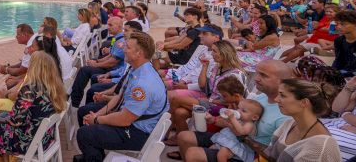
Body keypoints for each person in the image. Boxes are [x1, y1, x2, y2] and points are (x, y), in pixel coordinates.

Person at [74, 32, 168, 162]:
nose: (123, 49)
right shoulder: (138, 69)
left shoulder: (142, 84)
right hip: (132, 121)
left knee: (84, 134)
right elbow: (119, 97)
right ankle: (95, 155)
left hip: (138, 133)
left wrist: (96, 120)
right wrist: (96, 116)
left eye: (127, 47)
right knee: (84, 113)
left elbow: (124, 120)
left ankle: (93, 155)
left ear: (138, 54)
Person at [178, 59, 292, 161]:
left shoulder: (285, 114)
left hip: (249, 152)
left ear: (282, 81)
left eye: (263, 75)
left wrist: (241, 134)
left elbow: (274, 154)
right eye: (257, 73)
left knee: (193, 154)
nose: (256, 78)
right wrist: (214, 120)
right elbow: (239, 120)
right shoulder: (261, 97)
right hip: (233, 138)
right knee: (184, 137)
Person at [0, 51, 67, 161]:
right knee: (0, 119)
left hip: (29, 142)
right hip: (47, 138)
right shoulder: (54, 88)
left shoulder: (29, 90)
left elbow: (15, 121)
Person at [167, 41, 247, 134]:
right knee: (179, 112)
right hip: (210, 101)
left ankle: (166, 130)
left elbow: (234, 100)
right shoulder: (217, 68)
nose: (212, 54)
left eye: (214, 51)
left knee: (176, 99)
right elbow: (202, 85)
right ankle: (179, 137)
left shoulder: (235, 75)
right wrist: (204, 66)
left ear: (224, 53)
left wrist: (211, 101)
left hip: (220, 107)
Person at [259, 79, 341, 161]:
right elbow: (268, 155)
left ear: (304, 102)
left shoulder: (319, 147)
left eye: (282, 95)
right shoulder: (289, 124)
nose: (276, 99)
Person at [69, 17, 125, 108]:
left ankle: (79, 104)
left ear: (119, 26)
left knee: (85, 70)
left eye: (111, 25)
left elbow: (113, 62)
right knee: (86, 69)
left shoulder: (121, 42)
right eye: (108, 24)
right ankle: (76, 100)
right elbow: (111, 56)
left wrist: (96, 64)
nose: (108, 27)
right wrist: (97, 61)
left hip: (114, 72)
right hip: (112, 70)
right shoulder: (117, 39)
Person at [0, 24, 35, 89]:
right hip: (37, 73)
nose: (16, 37)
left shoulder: (31, 45)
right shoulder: (34, 39)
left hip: (40, 78)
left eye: (18, 34)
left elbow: (22, 70)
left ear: (25, 35)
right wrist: (9, 67)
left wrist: (6, 70)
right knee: (11, 78)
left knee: (10, 82)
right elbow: (24, 63)